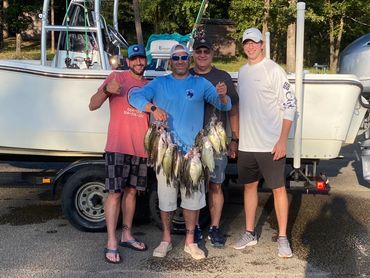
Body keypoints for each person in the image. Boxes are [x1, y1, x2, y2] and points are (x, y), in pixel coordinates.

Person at [129, 44, 232, 260]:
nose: (180, 60)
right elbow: (135, 97)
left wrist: (222, 96)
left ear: (189, 59)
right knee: (166, 200)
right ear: (170, 61)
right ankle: (166, 239)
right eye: (175, 57)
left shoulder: (200, 83)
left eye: (184, 57)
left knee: (192, 200)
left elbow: (223, 106)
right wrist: (153, 109)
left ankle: (190, 241)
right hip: (167, 151)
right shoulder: (159, 83)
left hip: (193, 153)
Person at [233, 28, 296, 258]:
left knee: (278, 189)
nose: (250, 46)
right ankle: (250, 233)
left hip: (271, 145)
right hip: (247, 146)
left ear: (262, 45)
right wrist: (236, 137)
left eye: (254, 42)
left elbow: (290, 104)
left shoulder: (273, 70)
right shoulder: (242, 72)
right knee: (249, 187)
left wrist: (282, 140)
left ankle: (282, 238)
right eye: (246, 43)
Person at [89, 44, 149, 264]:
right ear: (128, 62)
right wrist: (106, 90)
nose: (138, 62)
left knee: (132, 193)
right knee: (115, 193)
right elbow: (92, 105)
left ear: (146, 61)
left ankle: (126, 234)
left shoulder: (149, 85)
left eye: (141, 59)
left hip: (141, 149)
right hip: (117, 146)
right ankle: (111, 241)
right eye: (134, 59)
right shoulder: (116, 77)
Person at [189, 38, 239, 247]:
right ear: (193, 54)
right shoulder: (186, 75)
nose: (202, 55)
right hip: (191, 141)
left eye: (206, 51)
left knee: (215, 185)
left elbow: (234, 109)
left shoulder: (223, 77)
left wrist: (235, 138)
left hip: (216, 141)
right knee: (194, 185)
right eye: (198, 51)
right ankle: (196, 228)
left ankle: (215, 227)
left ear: (212, 54)